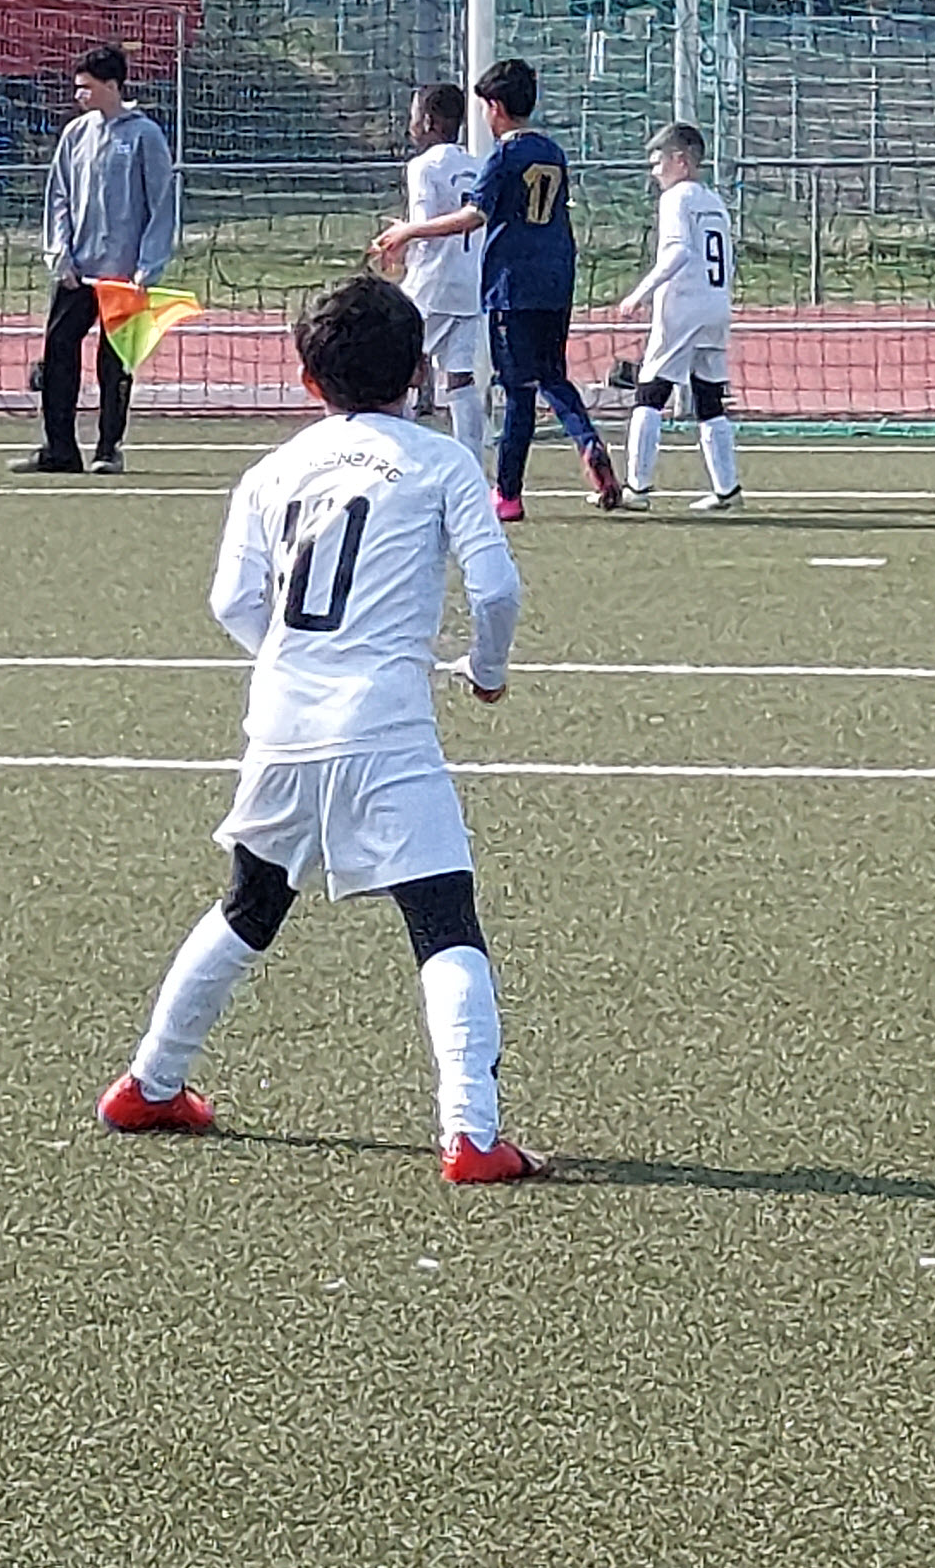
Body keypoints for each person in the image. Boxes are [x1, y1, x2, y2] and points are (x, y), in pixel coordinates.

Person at [97, 274, 542, 1184]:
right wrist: (487, 672)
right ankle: (472, 1133)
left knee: (250, 903)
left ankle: (149, 1082)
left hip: (283, 724)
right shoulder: (441, 462)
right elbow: (496, 589)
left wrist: (295, 658)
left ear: (308, 381)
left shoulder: (272, 471)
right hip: (384, 727)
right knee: (442, 917)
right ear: (418, 373)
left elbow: (232, 600)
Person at [369, 57, 621, 521]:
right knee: (552, 375)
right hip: (555, 280)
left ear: (497, 108)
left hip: (511, 285)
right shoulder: (553, 153)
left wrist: (408, 231)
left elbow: (474, 215)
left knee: (518, 388)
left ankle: (506, 494)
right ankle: (586, 438)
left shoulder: (502, 157)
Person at [13, 44, 180, 476]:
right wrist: (60, 253)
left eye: (86, 87)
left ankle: (109, 448)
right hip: (78, 272)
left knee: (114, 363)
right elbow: (59, 196)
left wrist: (148, 266)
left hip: (124, 275)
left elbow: (162, 204)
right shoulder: (76, 134)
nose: (79, 95)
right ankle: (59, 449)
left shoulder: (144, 135)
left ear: (112, 85)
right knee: (58, 351)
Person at [614, 121, 743, 514]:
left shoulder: (676, 198)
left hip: (683, 307)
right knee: (709, 397)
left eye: (659, 163)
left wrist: (639, 293)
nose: (655, 172)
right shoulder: (714, 201)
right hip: (715, 305)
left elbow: (679, 251)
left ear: (682, 161)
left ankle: (636, 487)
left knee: (650, 392)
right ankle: (727, 489)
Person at [395, 83, 489, 462]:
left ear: (429, 121)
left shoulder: (424, 166)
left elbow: (424, 224)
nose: (410, 125)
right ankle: (472, 461)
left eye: (414, 116)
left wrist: (401, 237)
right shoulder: (478, 165)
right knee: (460, 378)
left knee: (399, 367)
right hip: (470, 284)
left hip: (430, 285)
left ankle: (400, 454)